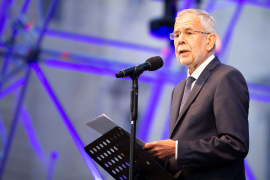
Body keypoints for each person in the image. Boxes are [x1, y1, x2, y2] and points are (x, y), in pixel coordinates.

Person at [143, 9, 249, 180]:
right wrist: (151, 162)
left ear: (210, 41)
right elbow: (182, 150)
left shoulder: (226, 77)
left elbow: (235, 145)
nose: (180, 40)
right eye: (176, 35)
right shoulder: (178, 89)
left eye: (189, 32)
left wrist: (176, 149)